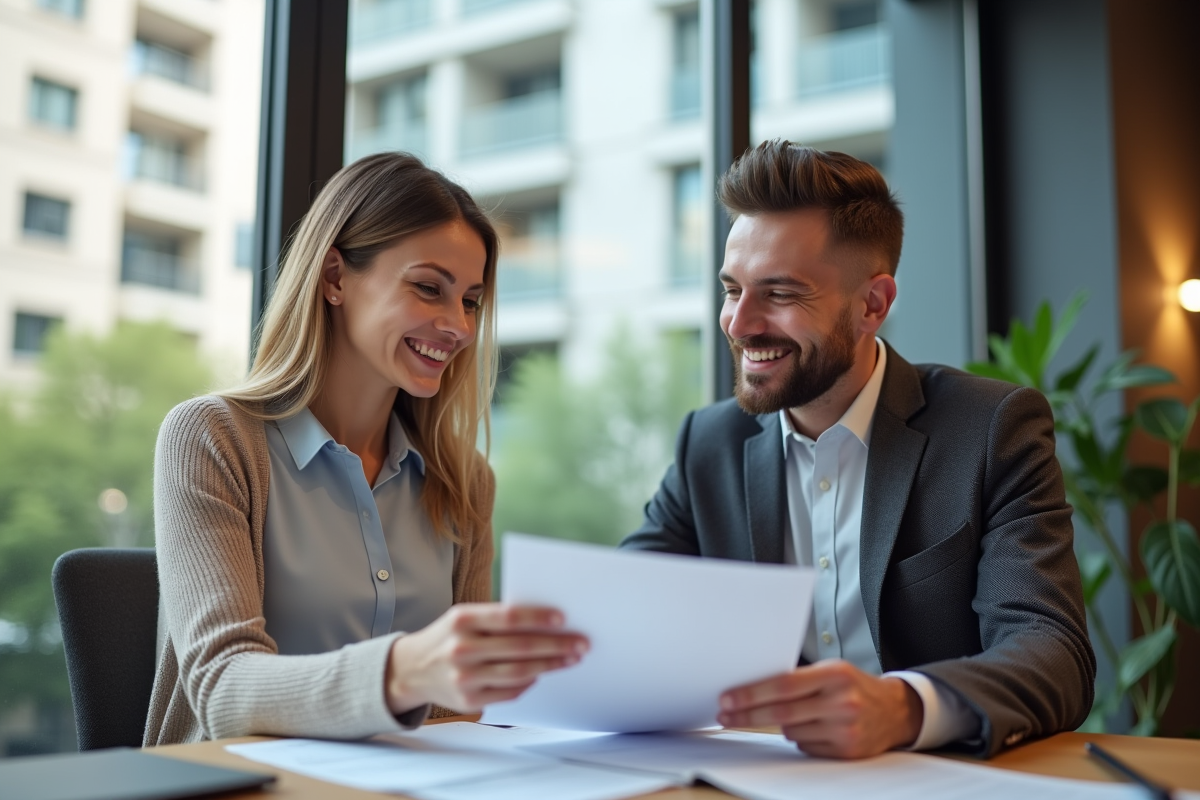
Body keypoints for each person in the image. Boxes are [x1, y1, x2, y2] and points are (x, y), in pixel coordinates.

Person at [621, 141, 1095, 759]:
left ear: (873, 304)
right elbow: (623, 614)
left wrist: (902, 707)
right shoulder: (707, 445)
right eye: (732, 289)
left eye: (781, 294)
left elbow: (1052, 652)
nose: (739, 324)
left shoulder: (991, 428)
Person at [145, 153, 588, 745]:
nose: (457, 325)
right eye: (429, 288)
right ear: (333, 278)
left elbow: (458, 717)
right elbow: (223, 691)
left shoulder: (464, 480)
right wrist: (406, 671)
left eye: (471, 301)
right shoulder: (210, 440)